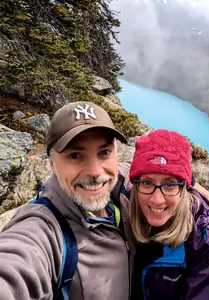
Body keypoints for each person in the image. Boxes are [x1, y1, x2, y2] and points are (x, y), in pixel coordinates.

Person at [0, 101, 135, 300]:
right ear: (53, 165)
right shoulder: (44, 229)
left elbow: (144, 166)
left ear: (115, 153)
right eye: (74, 155)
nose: (96, 172)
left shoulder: (119, 188)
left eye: (104, 152)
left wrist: (190, 181)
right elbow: (14, 270)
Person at [129, 129, 209, 300]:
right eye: (147, 182)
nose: (157, 200)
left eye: (170, 185)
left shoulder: (203, 241)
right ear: (136, 184)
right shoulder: (123, 202)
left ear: (184, 189)